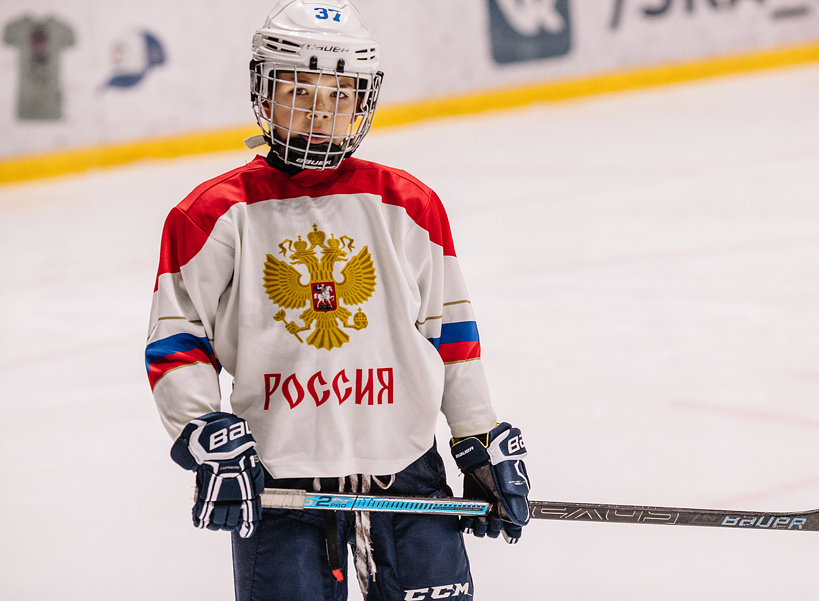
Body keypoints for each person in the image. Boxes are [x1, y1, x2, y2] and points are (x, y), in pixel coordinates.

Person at [144, 1, 530, 599]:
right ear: (263, 91)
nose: (320, 113)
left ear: (364, 100)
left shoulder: (409, 206)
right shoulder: (213, 215)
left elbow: (452, 334)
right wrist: (205, 432)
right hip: (281, 481)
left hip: (404, 468)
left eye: (339, 94)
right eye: (299, 91)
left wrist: (476, 436)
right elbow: (179, 339)